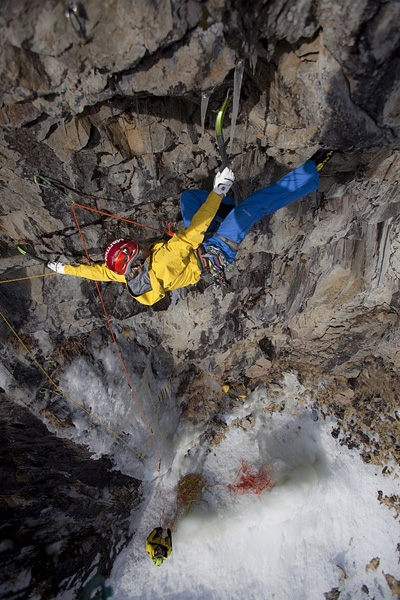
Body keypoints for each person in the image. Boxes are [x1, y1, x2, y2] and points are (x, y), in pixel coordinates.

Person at [47, 150, 333, 305]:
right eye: (139, 247)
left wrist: (62, 268)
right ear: (137, 260)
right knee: (255, 205)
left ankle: (227, 211)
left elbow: (95, 272)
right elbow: (193, 231)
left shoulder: (125, 274)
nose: (143, 243)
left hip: (197, 245)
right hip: (215, 250)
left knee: (189, 199)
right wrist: (218, 191)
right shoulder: (162, 262)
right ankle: (311, 172)